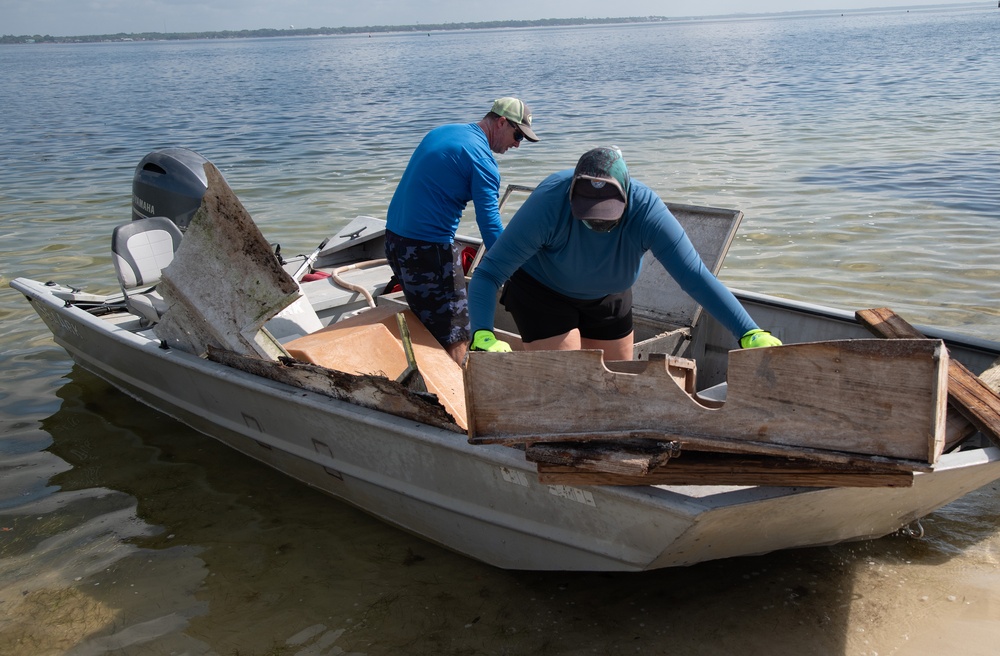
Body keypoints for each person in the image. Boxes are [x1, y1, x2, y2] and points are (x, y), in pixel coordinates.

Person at [467, 146, 781, 360]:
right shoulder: (549, 202)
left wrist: (749, 332)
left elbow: (695, 278)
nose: (596, 221)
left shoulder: (648, 212)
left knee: (617, 384)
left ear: (627, 196)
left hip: (608, 294)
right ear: (572, 194)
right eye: (587, 213)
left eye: (606, 214)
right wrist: (481, 333)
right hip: (543, 293)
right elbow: (488, 274)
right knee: (566, 379)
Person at [384, 97, 539, 365]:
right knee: (457, 333)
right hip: (428, 250)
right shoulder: (482, 160)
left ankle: (432, 381)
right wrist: (515, 272)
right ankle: (460, 401)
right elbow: (490, 223)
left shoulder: (443, 131)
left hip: (394, 241)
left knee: (431, 323)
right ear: (501, 122)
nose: (517, 144)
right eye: (517, 135)